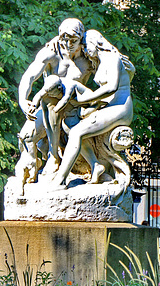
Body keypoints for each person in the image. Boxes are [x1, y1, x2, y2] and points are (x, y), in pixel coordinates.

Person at [50, 29, 135, 188]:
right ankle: (96, 166)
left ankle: (60, 178)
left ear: (96, 42)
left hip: (121, 108)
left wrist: (85, 99)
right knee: (70, 126)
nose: (84, 48)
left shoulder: (112, 58)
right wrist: (91, 107)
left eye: (85, 44)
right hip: (109, 106)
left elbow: (111, 87)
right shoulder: (100, 62)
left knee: (76, 132)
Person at [15, 18, 94, 186]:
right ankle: (43, 162)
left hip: (75, 106)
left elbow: (110, 77)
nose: (68, 43)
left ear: (81, 39)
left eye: (73, 40)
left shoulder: (89, 55)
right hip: (49, 106)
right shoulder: (51, 52)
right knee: (26, 136)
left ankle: (59, 159)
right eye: (64, 39)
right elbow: (28, 77)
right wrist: (23, 100)